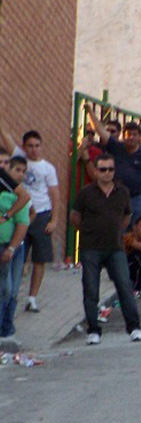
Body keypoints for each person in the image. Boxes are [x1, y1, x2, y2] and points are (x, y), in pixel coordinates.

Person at [70, 153, 141, 344]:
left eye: (110, 169)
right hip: (90, 248)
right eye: (102, 169)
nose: (107, 173)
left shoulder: (122, 192)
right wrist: (88, 231)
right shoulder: (86, 192)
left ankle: (134, 328)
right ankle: (93, 330)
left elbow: (127, 216)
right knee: (91, 290)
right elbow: (74, 217)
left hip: (115, 248)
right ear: (95, 171)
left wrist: (118, 231)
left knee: (125, 286)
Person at [2, 130, 62, 313]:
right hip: (20, 214)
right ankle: (13, 293)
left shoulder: (47, 168)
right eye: (30, 146)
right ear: (24, 146)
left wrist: (54, 219)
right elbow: (7, 137)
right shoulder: (18, 159)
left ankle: (32, 297)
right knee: (18, 254)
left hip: (41, 214)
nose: (34, 150)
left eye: (37, 146)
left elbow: (55, 194)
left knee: (39, 259)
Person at [87, 105, 141, 229]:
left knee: (139, 230)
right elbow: (100, 131)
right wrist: (89, 112)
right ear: (123, 135)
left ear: (139, 136)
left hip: (140, 197)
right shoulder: (116, 147)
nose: (131, 137)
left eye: (134, 135)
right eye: (128, 134)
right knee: (119, 229)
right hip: (118, 196)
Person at [0, 156, 32, 339]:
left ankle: (6, 328)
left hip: (11, 247)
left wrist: (12, 247)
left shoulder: (14, 194)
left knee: (9, 291)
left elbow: (25, 220)